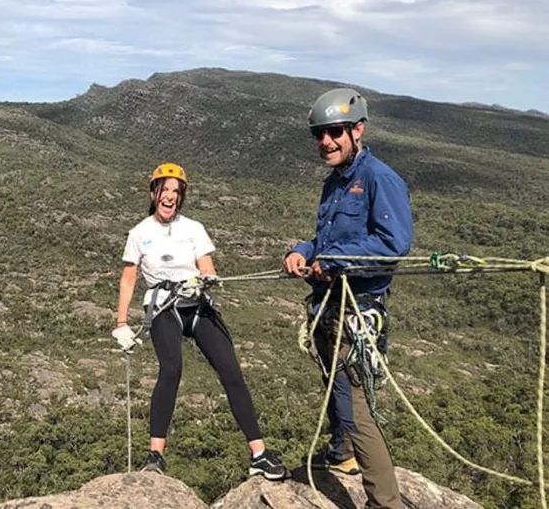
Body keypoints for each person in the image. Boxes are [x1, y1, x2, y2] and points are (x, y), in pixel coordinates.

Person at [113, 163, 290, 480]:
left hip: (196, 303)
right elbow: (128, 279)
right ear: (153, 193)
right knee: (171, 369)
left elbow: (206, 265)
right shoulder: (139, 233)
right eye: (164, 190)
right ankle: (155, 456)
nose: (170, 197)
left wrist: (206, 279)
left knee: (231, 371)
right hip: (164, 305)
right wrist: (121, 323)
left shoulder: (193, 228)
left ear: (181, 198)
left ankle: (259, 454)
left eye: (176, 192)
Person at [283, 88, 413, 509]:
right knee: (333, 388)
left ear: (358, 129)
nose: (326, 142)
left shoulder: (378, 178)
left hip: (357, 310)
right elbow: (326, 238)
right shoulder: (336, 184)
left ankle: (384, 502)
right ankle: (342, 455)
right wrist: (303, 250)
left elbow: (394, 244)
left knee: (355, 408)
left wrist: (335, 261)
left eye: (334, 132)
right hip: (329, 306)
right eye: (320, 134)